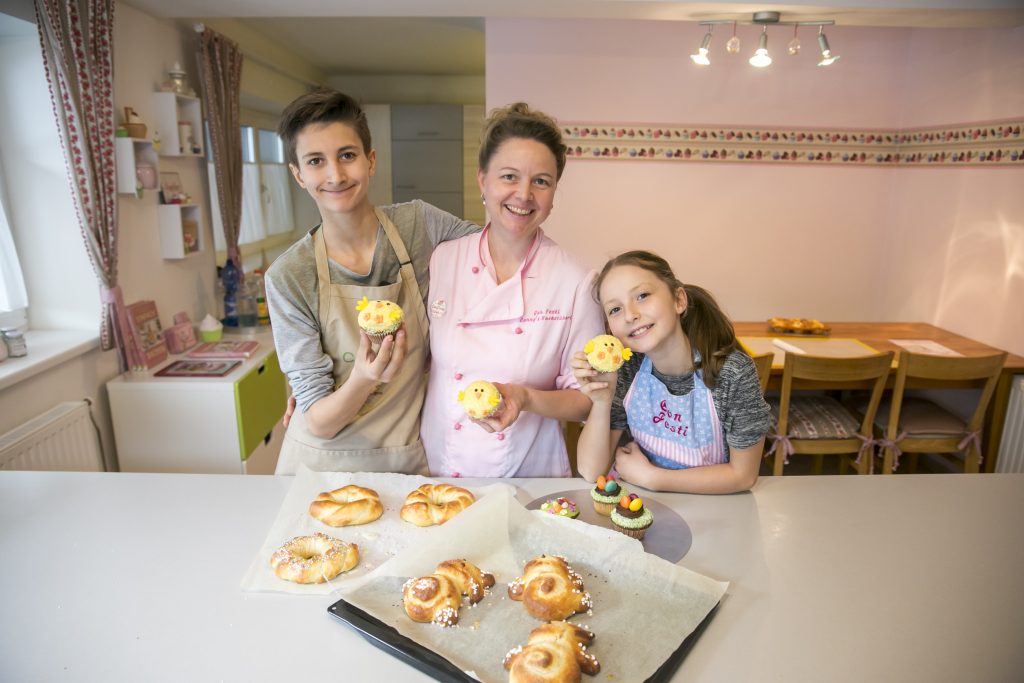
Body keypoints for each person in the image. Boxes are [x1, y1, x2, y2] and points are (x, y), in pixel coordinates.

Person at [266, 88, 478, 475]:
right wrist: (364, 378)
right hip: (319, 468)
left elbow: (496, 257)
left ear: (371, 160)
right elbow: (319, 421)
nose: (335, 175)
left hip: (404, 459)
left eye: (347, 155)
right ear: (298, 175)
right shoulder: (289, 276)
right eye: (316, 161)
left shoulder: (420, 227)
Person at [421, 103, 605, 478]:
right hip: (440, 471)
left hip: (531, 476)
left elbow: (587, 401)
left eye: (541, 181)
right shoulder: (442, 260)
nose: (523, 194)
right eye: (509, 176)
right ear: (482, 181)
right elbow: (416, 363)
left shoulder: (576, 280)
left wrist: (525, 397)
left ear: (554, 192)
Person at [571, 251, 770, 493]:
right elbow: (591, 470)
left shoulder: (732, 374)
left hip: (718, 511)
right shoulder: (627, 370)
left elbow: (743, 476)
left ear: (679, 300)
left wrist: (653, 478)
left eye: (642, 296)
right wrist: (602, 400)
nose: (630, 315)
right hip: (644, 510)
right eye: (615, 309)